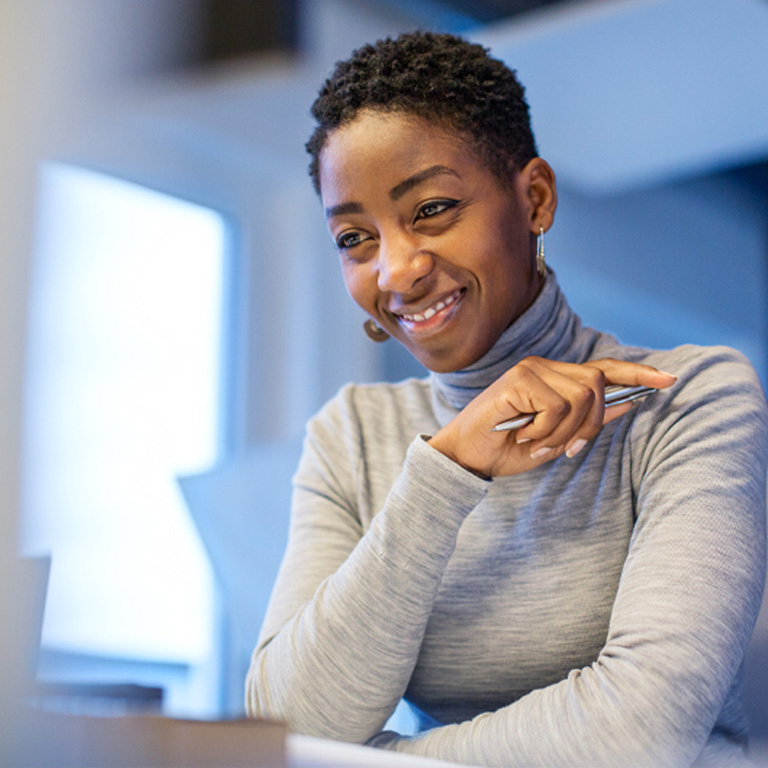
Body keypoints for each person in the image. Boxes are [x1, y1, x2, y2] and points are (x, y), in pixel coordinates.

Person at [245, 31, 768, 767]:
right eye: (355, 237)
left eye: (430, 209)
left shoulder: (688, 397)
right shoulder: (352, 436)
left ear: (535, 198)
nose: (397, 271)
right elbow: (287, 726)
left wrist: (380, 757)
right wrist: (448, 467)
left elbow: (642, 733)